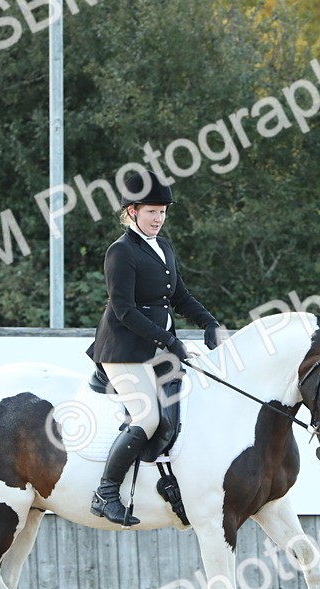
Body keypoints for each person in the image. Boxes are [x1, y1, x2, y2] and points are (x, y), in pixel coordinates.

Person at [86, 170, 221, 526]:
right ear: (132, 211)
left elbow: (178, 295)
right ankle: (106, 493)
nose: (158, 218)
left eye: (162, 212)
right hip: (122, 349)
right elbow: (124, 310)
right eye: (151, 212)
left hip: (157, 349)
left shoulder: (163, 247)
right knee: (147, 416)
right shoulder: (121, 252)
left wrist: (208, 321)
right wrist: (171, 342)